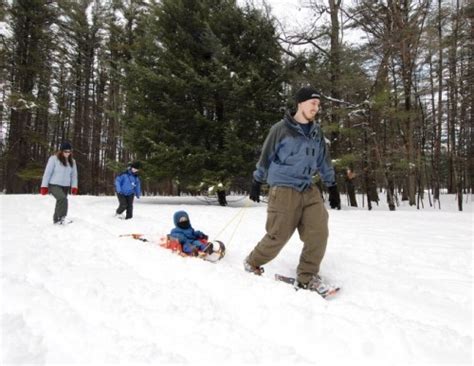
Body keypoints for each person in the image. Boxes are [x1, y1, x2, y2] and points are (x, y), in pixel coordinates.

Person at [244, 85, 341, 292]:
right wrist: (257, 181)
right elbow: (266, 157)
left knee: (319, 232)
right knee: (278, 235)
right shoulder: (281, 129)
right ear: (300, 103)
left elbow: (324, 160)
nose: (316, 107)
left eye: (318, 104)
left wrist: (331, 185)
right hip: (284, 189)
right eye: (312, 103)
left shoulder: (316, 132)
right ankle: (252, 262)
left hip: (308, 187)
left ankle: (307, 277)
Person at [40, 141, 78, 224]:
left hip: (65, 186)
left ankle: (56, 219)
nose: (67, 153)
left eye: (69, 151)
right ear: (61, 151)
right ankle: (62, 217)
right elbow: (47, 173)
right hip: (54, 184)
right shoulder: (53, 159)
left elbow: (74, 175)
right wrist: (44, 186)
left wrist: (74, 187)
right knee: (63, 199)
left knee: (60, 202)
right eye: (65, 151)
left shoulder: (72, 161)